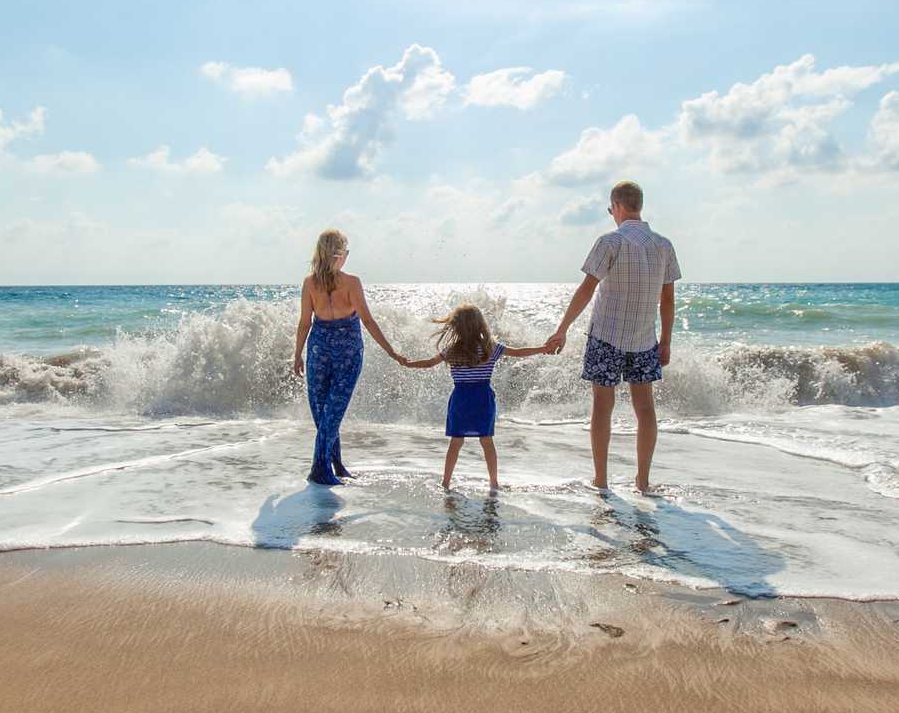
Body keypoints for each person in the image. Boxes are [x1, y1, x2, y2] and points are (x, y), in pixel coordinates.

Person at [543, 180, 681, 493]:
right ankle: (643, 481)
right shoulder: (663, 245)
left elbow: (586, 290)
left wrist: (562, 329)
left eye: (611, 209)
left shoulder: (610, 242)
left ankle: (601, 480)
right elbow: (668, 301)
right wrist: (667, 340)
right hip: (645, 339)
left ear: (617, 207)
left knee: (602, 407)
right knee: (645, 408)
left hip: (606, 336)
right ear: (639, 205)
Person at [291, 229, 403, 485]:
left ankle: (335, 464)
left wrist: (297, 354)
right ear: (339, 255)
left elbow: (304, 323)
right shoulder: (351, 282)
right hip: (346, 351)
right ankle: (321, 468)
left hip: (319, 349)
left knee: (327, 412)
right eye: (347, 252)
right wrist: (391, 351)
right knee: (329, 412)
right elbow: (367, 320)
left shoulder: (310, 283)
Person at [404, 304, 550, 491]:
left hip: (461, 400)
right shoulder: (490, 348)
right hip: (483, 400)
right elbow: (519, 352)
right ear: (481, 325)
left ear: (455, 326)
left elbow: (428, 364)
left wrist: (407, 363)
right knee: (487, 441)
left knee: (456, 442)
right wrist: (542, 349)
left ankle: (446, 482)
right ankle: (494, 482)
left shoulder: (451, 350)